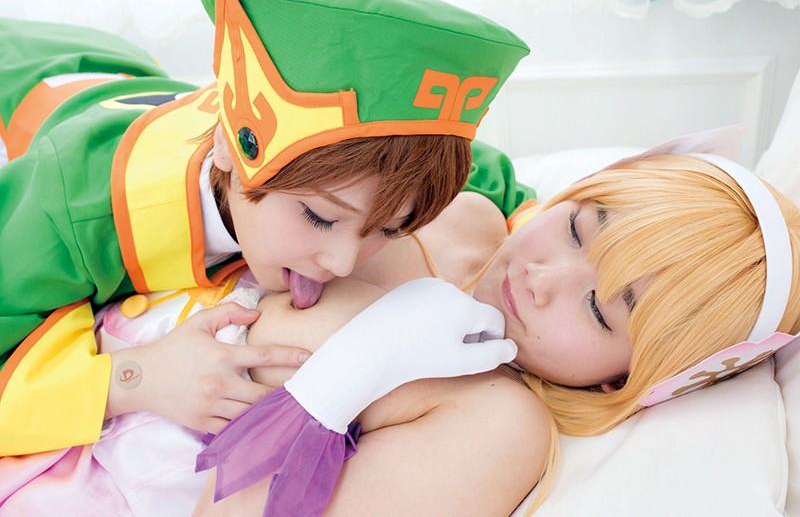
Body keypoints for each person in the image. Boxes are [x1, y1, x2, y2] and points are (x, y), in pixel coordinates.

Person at [0, 0, 531, 456]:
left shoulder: (368, 169)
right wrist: (133, 380)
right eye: (319, 217)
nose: (343, 263)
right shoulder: (72, 207)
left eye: (389, 229)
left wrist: (531, 219)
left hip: (128, 74)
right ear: (228, 147)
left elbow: (488, 172)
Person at [191, 129, 800, 515]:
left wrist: (356, 365)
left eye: (597, 309)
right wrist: (140, 374)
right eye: (575, 229)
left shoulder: (498, 426)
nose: (541, 277)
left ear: (625, 377)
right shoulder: (466, 215)